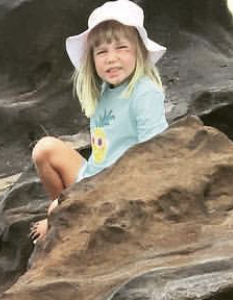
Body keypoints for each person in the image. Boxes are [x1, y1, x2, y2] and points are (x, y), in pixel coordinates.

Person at [30, 0, 168, 242]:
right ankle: (65, 209)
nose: (111, 59)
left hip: (119, 183)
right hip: (93, 175)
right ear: (92, 59)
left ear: (139, 51)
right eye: (102, 51)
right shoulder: (105, 91)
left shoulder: (144, 93)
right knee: (44, 149)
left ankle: (63, 217)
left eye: (122, 48)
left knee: (55, 211)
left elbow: (155, 154)